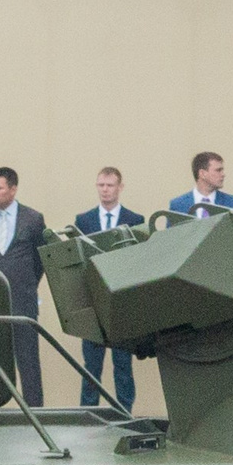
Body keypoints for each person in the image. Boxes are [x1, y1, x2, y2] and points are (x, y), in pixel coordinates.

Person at [0, 166, 48, 405]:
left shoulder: (33, 219)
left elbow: (40, 260)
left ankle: (35, 411)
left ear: (12, 190)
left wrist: (25, 285)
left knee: (28, 360)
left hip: (22, 300)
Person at [74, 166, 143, 409]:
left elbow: (139, 263)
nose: (105, 190)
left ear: (120, 187)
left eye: (110, 185)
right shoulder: (83, 221)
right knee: (91, 365)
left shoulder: (135, 221)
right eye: (101, 185)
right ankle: (88, 412)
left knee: (123, 364)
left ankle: (124, 412)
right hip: (93, 303)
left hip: (122, 304)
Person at [168, 150, 233, 219]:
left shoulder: (232, 203)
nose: (223, 174)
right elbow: (171, 231)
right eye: (218, 170)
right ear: (202, 174)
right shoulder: (178, 205)